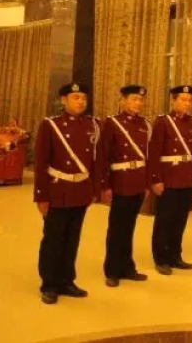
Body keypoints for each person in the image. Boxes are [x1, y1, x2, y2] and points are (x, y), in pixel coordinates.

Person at [34, 83, 99, 304]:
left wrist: (93, 189)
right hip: (57, 190)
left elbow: (94, 160)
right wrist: (41, 195)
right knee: (54, 239)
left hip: (80, 190)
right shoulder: (51, 125)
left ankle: (66, 280)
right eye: (75, 97)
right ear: (64, 100)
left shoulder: (92, 125)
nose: (81, 101)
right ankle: (49, 284)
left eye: (84, 98)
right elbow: (41, 162)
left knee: (72, 238)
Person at [97, 85, 151, 287]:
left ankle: (127, 267)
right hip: (120, 180)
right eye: (134, 99)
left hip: (138, 181)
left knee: (129, 227)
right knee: (117, 228)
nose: (138, 103)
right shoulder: (112, 123)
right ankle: (112, 270)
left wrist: (147, 183)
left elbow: (148, 157)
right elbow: (103, 155)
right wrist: (105, 185)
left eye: (140, 100)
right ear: (124, 100)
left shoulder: (145, 125)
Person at [148, 85, 192, 275]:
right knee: (165, 220)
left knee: (180, 219)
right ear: (173, 100)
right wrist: (156, 179)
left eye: (189, 100)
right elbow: (154, 152)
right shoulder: (163, 122)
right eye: (183, 99)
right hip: (168, 178)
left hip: (185, 177)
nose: (187, 103)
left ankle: (175, 256)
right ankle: (161, 258)